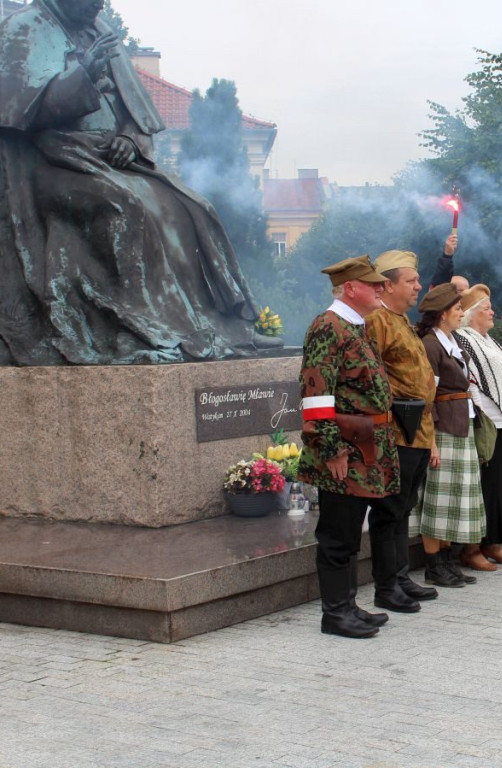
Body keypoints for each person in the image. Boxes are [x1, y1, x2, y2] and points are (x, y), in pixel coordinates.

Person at [0, 0, 276, 365]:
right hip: (51, 162)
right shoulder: (25, 27)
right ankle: (141, 329)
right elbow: (21, 111)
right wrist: (82, 76)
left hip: (112, 160)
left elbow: (136, 112)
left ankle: (224, 327)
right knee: (125, 206)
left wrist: (130, 140)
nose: (99, 4)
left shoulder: (99, 30)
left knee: (193, 206)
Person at [297, 255, 398, 639]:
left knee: (352, 531)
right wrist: (331, 448)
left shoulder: (355, 326)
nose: (380, 289)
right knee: (338, 533)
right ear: (351, 288)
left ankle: (348, 604)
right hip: (344, 449)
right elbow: (315, 394)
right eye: (373, 284)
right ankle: (335, 613)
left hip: (365, 447)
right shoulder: (328, 326)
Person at [364, 250, 439, 614]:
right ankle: (386, 586)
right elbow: (371, 375)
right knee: (389, 511)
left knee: (404, 507)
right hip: (396, 430)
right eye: (411, 281)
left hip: (419, 431)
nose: (418, 286)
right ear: (387, 285)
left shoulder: (402, 320)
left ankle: (400, 576)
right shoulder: (377, 320)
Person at [413, 284, 487, 587]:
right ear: (443, 314)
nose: (461, 313)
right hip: (442, 428)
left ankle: (445, 561)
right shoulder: (431, 344)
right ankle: (433, 565)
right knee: (438, 499)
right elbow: (426, 396)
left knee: (453, 496)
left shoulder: (451, 340)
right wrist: (429, 440)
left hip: (459, 424)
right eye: (457, 309)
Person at [453, 284, 502, 569]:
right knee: (484, 487)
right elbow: (470, 380)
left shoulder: (489, 340)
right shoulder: (464, 339)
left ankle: (492, 542)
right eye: (486, 307)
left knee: (499, 487)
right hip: (485, 423)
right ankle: (472, 548)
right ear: (471, 314)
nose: (493, 311)